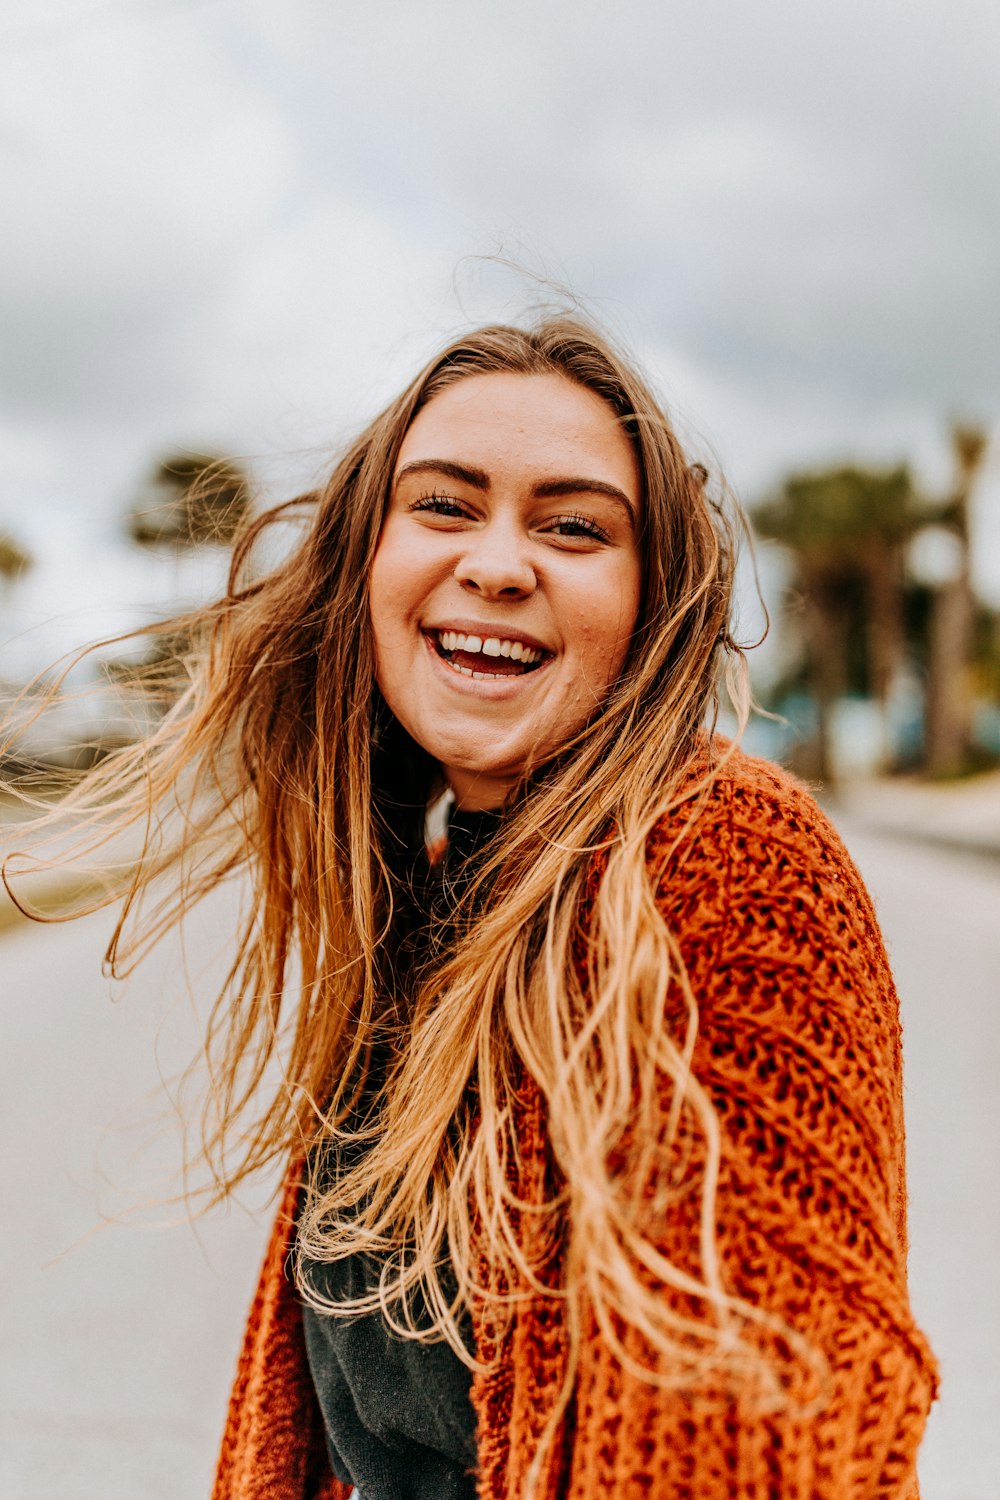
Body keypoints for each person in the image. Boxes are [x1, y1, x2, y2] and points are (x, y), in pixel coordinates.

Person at [7, 318, 937, 1498]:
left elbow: (784, 1427)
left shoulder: (729, 857)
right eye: (444, 506)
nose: (499, 563)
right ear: (365, 565)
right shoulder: (430, 887)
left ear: (651, 600)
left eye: (573, 527)